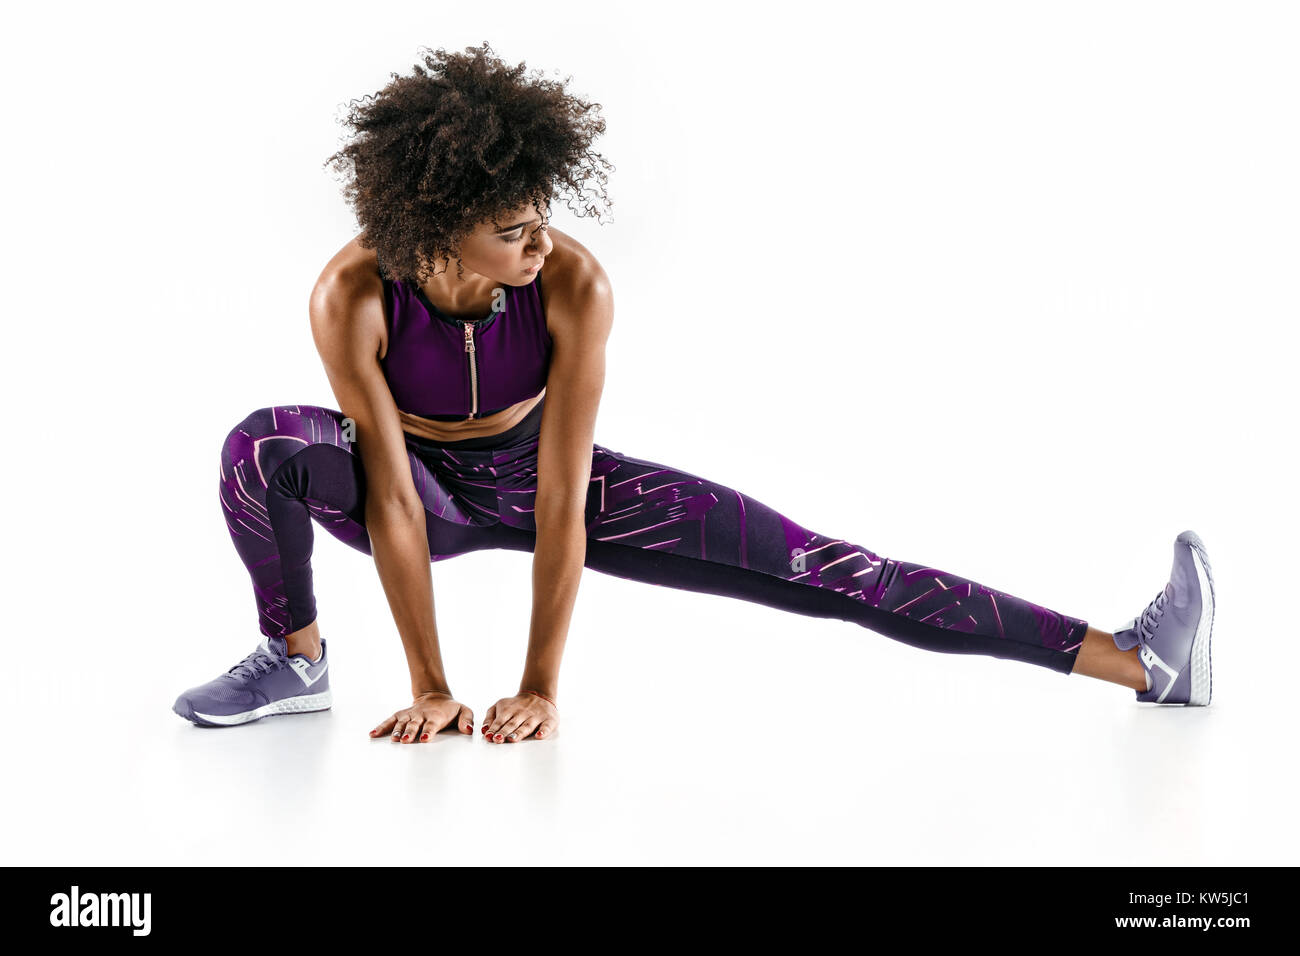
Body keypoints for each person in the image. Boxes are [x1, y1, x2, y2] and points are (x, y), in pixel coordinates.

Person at [173, 42, 1216, 741]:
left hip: (541, 473)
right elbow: (393, 498)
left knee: (826, 564)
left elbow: (561, 495)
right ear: (438, 225)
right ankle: (295, 658)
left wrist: (538, 686)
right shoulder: (352, 292)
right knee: (260, 445)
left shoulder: (573, 282)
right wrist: (433, 689)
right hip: (414, 488)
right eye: (512, 231)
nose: (543, 243)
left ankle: (1137, 660)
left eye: (543, 215)